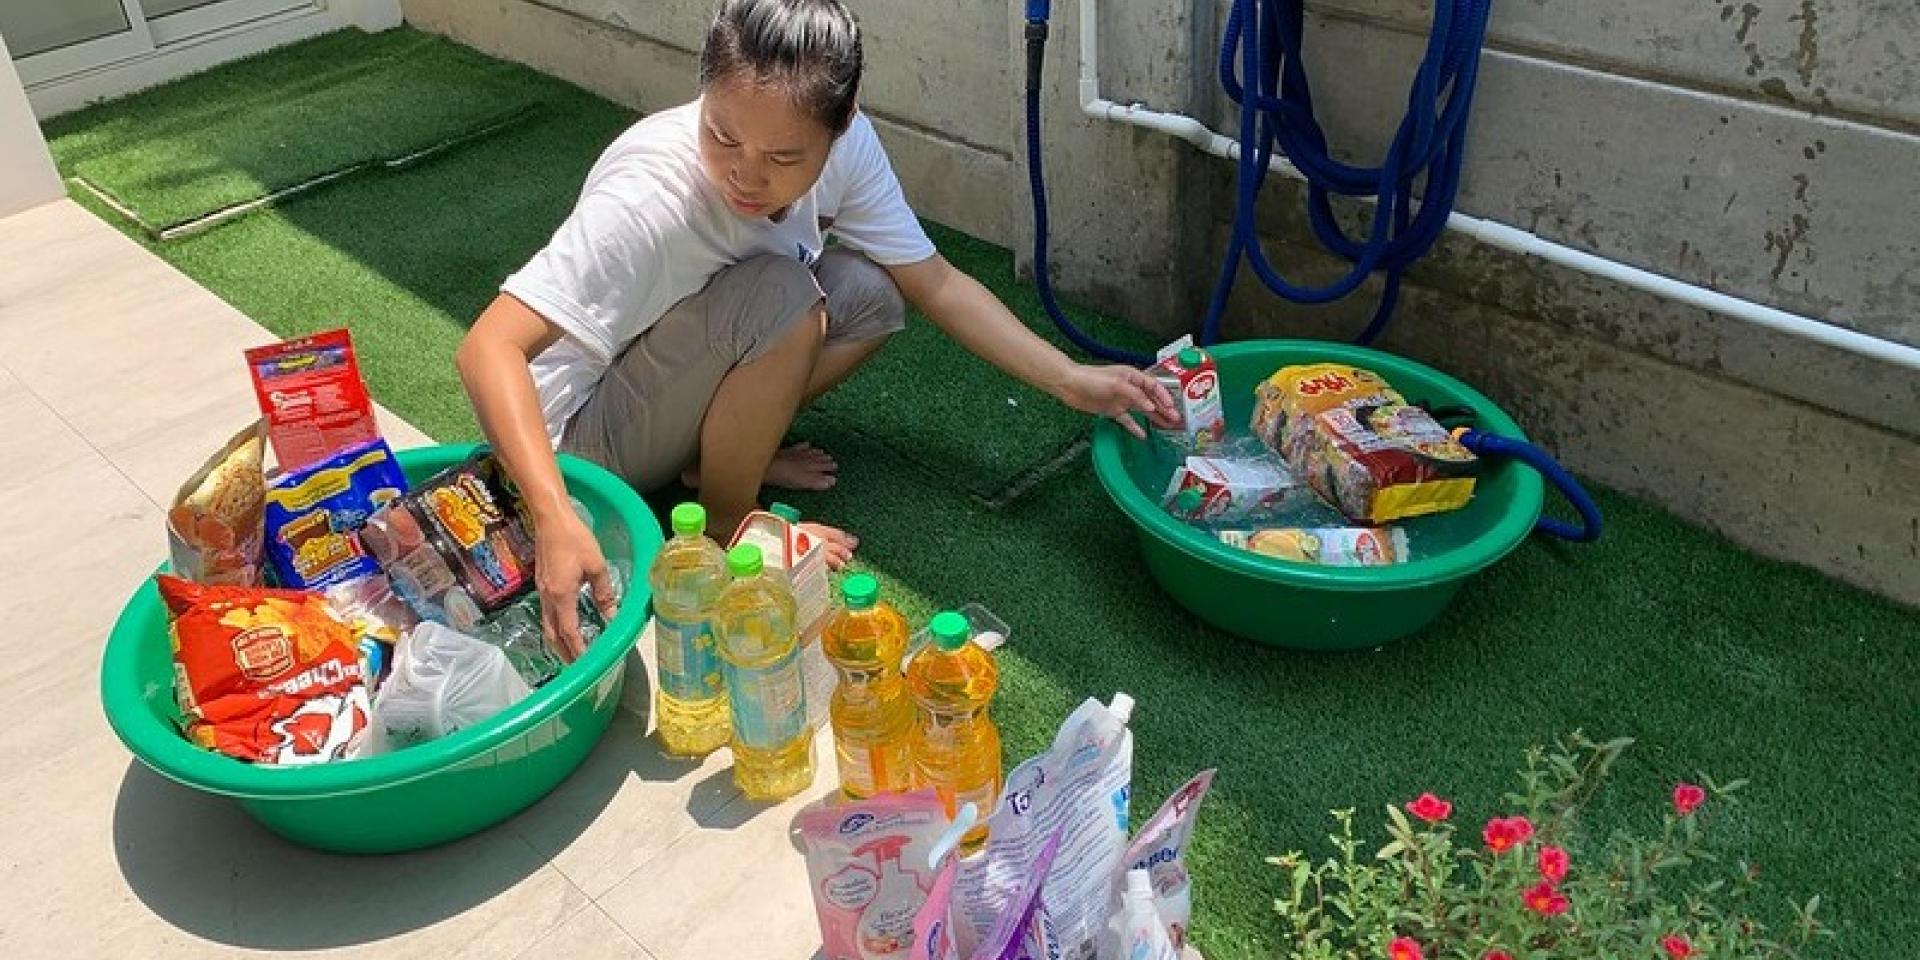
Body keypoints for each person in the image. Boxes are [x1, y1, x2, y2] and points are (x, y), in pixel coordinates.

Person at [457, 0, 1175, 657]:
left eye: (783, 158)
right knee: (780, 294)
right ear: (704, 90)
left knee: (867, 293)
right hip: (575, 445)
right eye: (723, 135)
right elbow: (489, 348)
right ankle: (727, 520)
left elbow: (935, 283)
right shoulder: (649, 196)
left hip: (668, 372)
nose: (743, 174)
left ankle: (720, 455)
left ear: (842, 122)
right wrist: (553, 515)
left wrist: (1072, 380)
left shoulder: (850, 148)